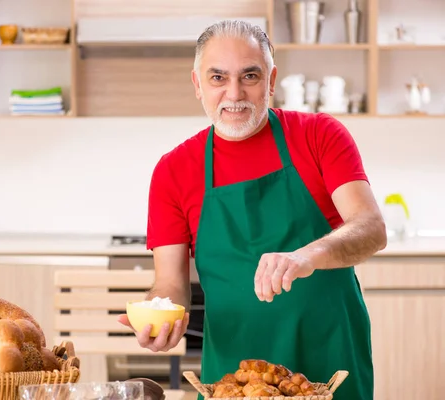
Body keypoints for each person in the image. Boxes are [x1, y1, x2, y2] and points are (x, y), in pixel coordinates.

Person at [118, 19, 387, 400]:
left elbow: (371, 227)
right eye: (217, 78)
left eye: (250, 76)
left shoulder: (319, 135)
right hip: (233, 378)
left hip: (331, 360)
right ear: (197, 84)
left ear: (272, 80)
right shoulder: (174, 171)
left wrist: (308, 255)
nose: (234, 93)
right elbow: (170, 284)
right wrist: (160, 317)